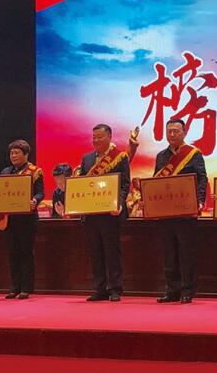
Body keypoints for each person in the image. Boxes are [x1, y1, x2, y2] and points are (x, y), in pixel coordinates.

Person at [152, 119, 207, 304]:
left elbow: (202, 179)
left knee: (186, 252)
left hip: (186, 213)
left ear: (184, 132)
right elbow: (155, 182)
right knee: (169, 253)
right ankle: (172, 290)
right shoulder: (161, 156)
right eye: (169, 131)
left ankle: (187, 290)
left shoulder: (193, 154)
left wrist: (199, 202)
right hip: (166, 213)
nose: (172, 134)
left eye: (176, 131)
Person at [77, 124, 131, 302]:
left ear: (109, 137)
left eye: (100, 137)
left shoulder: (120, 157)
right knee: (95, 252)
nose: (96, 140)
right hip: (91, 213)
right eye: (94, 137)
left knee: (111, 252)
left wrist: (119, 203)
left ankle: (115, 288)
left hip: (111, 214)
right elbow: (82, 184)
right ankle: (100, 288)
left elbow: (125, 185)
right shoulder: (87, 159)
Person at [0, 140, 44, 300]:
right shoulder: (5, 172)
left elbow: (40, 193)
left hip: (27, 219)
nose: (13, 156)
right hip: (10, 219)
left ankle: (26, 287)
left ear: (26, 154)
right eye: (11, 153)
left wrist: (35, 201)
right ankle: (14, 287)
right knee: (13, 253)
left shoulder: (35, 171)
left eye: (17, 153)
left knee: (26, 253)